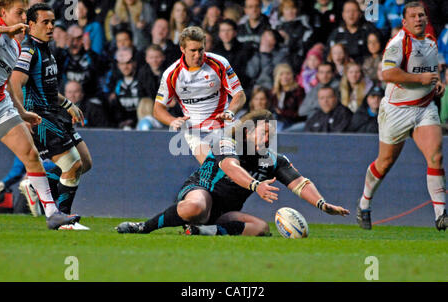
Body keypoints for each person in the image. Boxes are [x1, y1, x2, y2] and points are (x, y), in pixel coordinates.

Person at [116, 110, 349, 236]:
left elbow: (300, 183)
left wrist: (322, 204)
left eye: (272, 134)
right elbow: (230, 168)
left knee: (261, 228)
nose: (268, 139)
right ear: (248, 132)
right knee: (197, 206)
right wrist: (257, 186)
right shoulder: (228, 144)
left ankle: (200, 231)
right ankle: (143, 227)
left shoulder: (273, 161)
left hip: (223, 212)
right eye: (264, 132)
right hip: (198, 193)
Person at [356, 2, 447, 231]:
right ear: (404, 22)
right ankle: (364, 204)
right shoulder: (398, 43)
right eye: (414, 16)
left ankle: (441, 214)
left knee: (435, 157)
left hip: (425, 108)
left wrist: (437, 83)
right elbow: (387, 73)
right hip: (396, 111)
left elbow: (429, 70)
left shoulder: (430, 41)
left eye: (422, 15)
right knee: (384, 163)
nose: (419, 19)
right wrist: (422, 80)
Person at [0, 0, 80, 229]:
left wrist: (22, 112)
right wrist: (7, 29)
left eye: (25, 13)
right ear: (3, 12)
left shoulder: (15, 47)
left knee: (31, 155)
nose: (23, 17)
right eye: (19, 12)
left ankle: (52, 213)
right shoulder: (4, 34)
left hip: (1, 105)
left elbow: (8, 84)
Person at [153, 26, 246, 165]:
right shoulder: (171, 74)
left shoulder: (219, 63)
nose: (198, 55)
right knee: (213, 166)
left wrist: (231, 112)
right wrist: (172, 120)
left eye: (201, 49)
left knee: (232, 168)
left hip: (224, 126)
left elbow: (240, 94)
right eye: (193, 51)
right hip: (195, 132)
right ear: (182, 49)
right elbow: (157, 109)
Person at [271, 63, 305, 131]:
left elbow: (300, 113)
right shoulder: (274, 92)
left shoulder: (298, 91)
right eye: (281, 74)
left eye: (288, 74)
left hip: (293, 122)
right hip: (278, 121)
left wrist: (282, 112)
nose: (285, 77)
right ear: (277, 77)